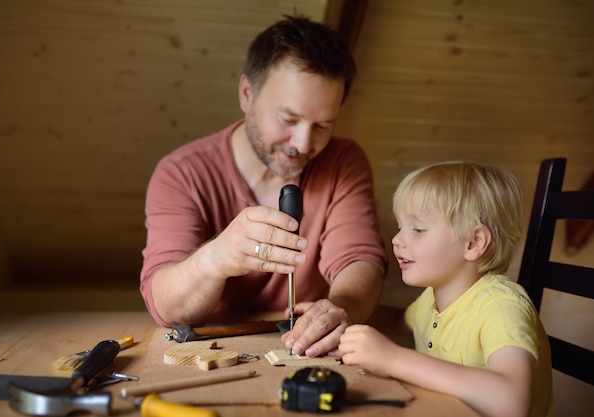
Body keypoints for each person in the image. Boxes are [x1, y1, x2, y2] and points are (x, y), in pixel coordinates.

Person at [140, 15, 388, 357]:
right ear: (246, 94)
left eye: (322, 126)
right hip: (212, 353)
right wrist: (215, 258)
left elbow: (359, 259)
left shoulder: (344, 161)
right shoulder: (180, 173)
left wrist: (339, 307)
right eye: (288, 119)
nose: (302, 144)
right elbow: (167, 305)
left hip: (300, 350)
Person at [338, 161, 553, 417]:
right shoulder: (432, 299)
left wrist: (393, 359)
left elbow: (512, 402)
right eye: (400, 227)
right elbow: (398, 321)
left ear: (474, 242)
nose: (396, 240)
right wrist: (338, 313)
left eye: (417, 229)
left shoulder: (501, 307)